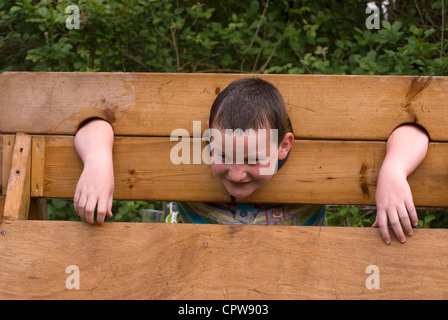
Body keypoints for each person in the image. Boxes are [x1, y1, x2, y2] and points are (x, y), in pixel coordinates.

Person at [73, 78, 429, 244]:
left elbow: (416, 126)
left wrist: (394, 168)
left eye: (253, 159)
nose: (237, 173)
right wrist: (98, 158)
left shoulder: (304, 159)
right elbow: (97, 119)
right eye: (223, 155)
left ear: (284, 147)